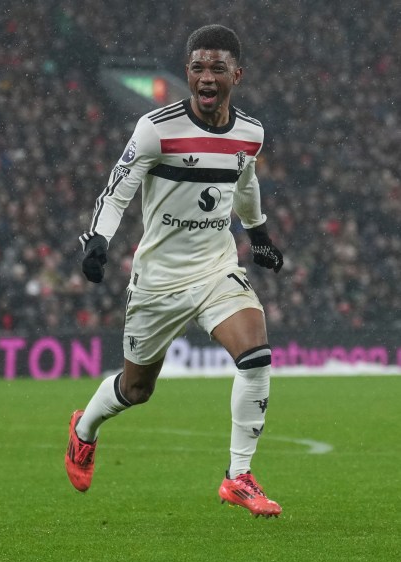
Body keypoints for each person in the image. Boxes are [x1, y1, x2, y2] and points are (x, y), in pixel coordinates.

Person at [65, 25, 284, 518]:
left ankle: (238, 477)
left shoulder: (250, 134)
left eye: (218, 69)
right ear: (188, 73)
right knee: (136, 389)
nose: (207, 77)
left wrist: (260, 235)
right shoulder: (155, 128)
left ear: (236, 75)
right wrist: (98, 238)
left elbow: (245, 183)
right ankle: (84, 430)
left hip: (216, 267)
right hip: (159, 279)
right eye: (199, 68)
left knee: (256, 355)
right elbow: (118, 190)